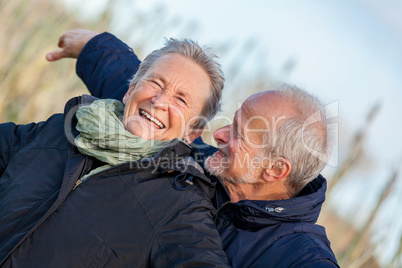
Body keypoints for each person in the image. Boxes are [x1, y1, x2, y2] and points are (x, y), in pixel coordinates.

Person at [57, 29, 340, 267]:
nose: (218, 134)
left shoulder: (301, 257)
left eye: (238, 133)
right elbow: (152, 105)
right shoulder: (202, 163)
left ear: (275, 169)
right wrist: (97, 47)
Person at [0, 32, 230, 267]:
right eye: (155, 83)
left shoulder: (179, 209)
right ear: (131, 90)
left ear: (193, 132)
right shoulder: (63, 129)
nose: (159, 101)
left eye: (181, 100)